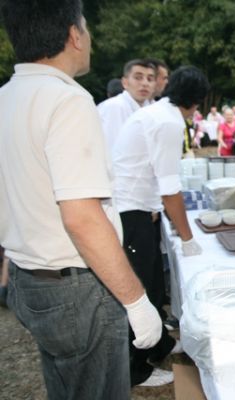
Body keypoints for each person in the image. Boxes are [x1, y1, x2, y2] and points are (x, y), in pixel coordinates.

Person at [0, 2, 163, 398]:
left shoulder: (7, 95)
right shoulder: (66, 100)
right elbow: (82, 217)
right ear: (74, 34)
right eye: (86, 28)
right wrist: (136, 301)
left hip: (29, 276)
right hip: (74, 287)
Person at [112, 65, 208, 386]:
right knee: (139, 288)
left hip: (140, 208)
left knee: (154, 284)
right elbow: (170, 189)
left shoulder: (160, 112)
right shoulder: (168, 121)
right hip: (130, 211)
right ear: (196, 101)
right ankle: (136, 369)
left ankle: (159, 345)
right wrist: (188, 238)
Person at [97, 59, 156, 151]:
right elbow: (112, 149)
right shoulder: (114, 106)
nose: (145, 83)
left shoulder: (153, 108)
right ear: (125, 82)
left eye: (150, 79)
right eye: (138, 78)